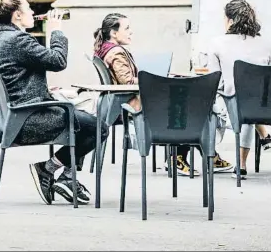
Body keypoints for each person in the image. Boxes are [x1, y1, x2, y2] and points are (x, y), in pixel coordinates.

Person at [0, 0, 108, 205]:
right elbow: (58, 61)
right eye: (28, 8)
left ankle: (66, 178)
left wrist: (47, 91)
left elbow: (16, 77)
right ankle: (51, 170)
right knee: (98, 127)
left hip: (12, 117)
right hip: (27, 121)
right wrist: (56, 31)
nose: (33, 11)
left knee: (81, 118)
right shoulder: (18, 39)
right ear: (17, 16)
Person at [93, 13, 232, 177]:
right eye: (127, 28)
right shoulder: (116, 52)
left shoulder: (107, 49)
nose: (131, 32)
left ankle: (206, 156)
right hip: (137, 104)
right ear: (114, 33)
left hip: (132, 102)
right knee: (190, 108)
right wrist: (158, 80)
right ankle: (180, 158)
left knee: (190, 107)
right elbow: (128, 82)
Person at [208, 0, 271, 179]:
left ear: (230, 20)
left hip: (236, 105)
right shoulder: (266, 43)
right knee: (250, 98)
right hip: (268, 106)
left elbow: (214, 81)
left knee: (240, 99)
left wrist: (227, 88)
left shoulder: (217, 43)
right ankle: (258, 143)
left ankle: (241, 164)